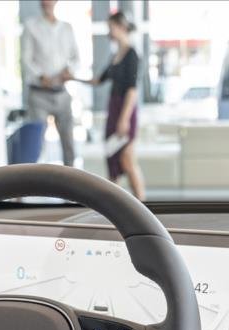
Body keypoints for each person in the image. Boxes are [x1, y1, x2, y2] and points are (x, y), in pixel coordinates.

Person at [80, 12, 144, 199]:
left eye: (111, 27)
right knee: (113, 160)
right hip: (113, 109)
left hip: (125, 110)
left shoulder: (132, 55)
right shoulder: (116, 55)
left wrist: (124, 119)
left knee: (127, 159)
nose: (109, 32)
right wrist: (72, 77)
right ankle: (114, 205)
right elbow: (98, 80)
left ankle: (143, 205)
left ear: (122, 27)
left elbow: (132, 90)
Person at [21, 0, 80, 166]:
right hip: (39, 94)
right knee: (37, 144)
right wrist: (40, 76)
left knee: (69, 143)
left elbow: (76, 58)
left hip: (61, 93)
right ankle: (37, 180)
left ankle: (72, 180)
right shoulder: (31, 26)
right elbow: (25, 59)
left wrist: (69, 70)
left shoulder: (67, 28)